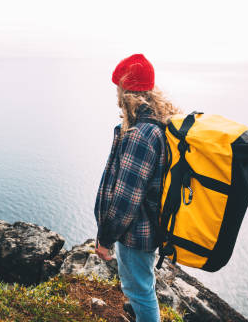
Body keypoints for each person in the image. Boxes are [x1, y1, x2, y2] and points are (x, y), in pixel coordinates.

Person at [94, 54, 181, 322]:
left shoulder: (141, 135)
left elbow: (126, 199)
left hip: (136, 233)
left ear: (126, 91)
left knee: (139, 290)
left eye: (118, 89)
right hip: (145, 227)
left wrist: (106, 238)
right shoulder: (157, 123)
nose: (116, 96)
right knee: (140, 286)